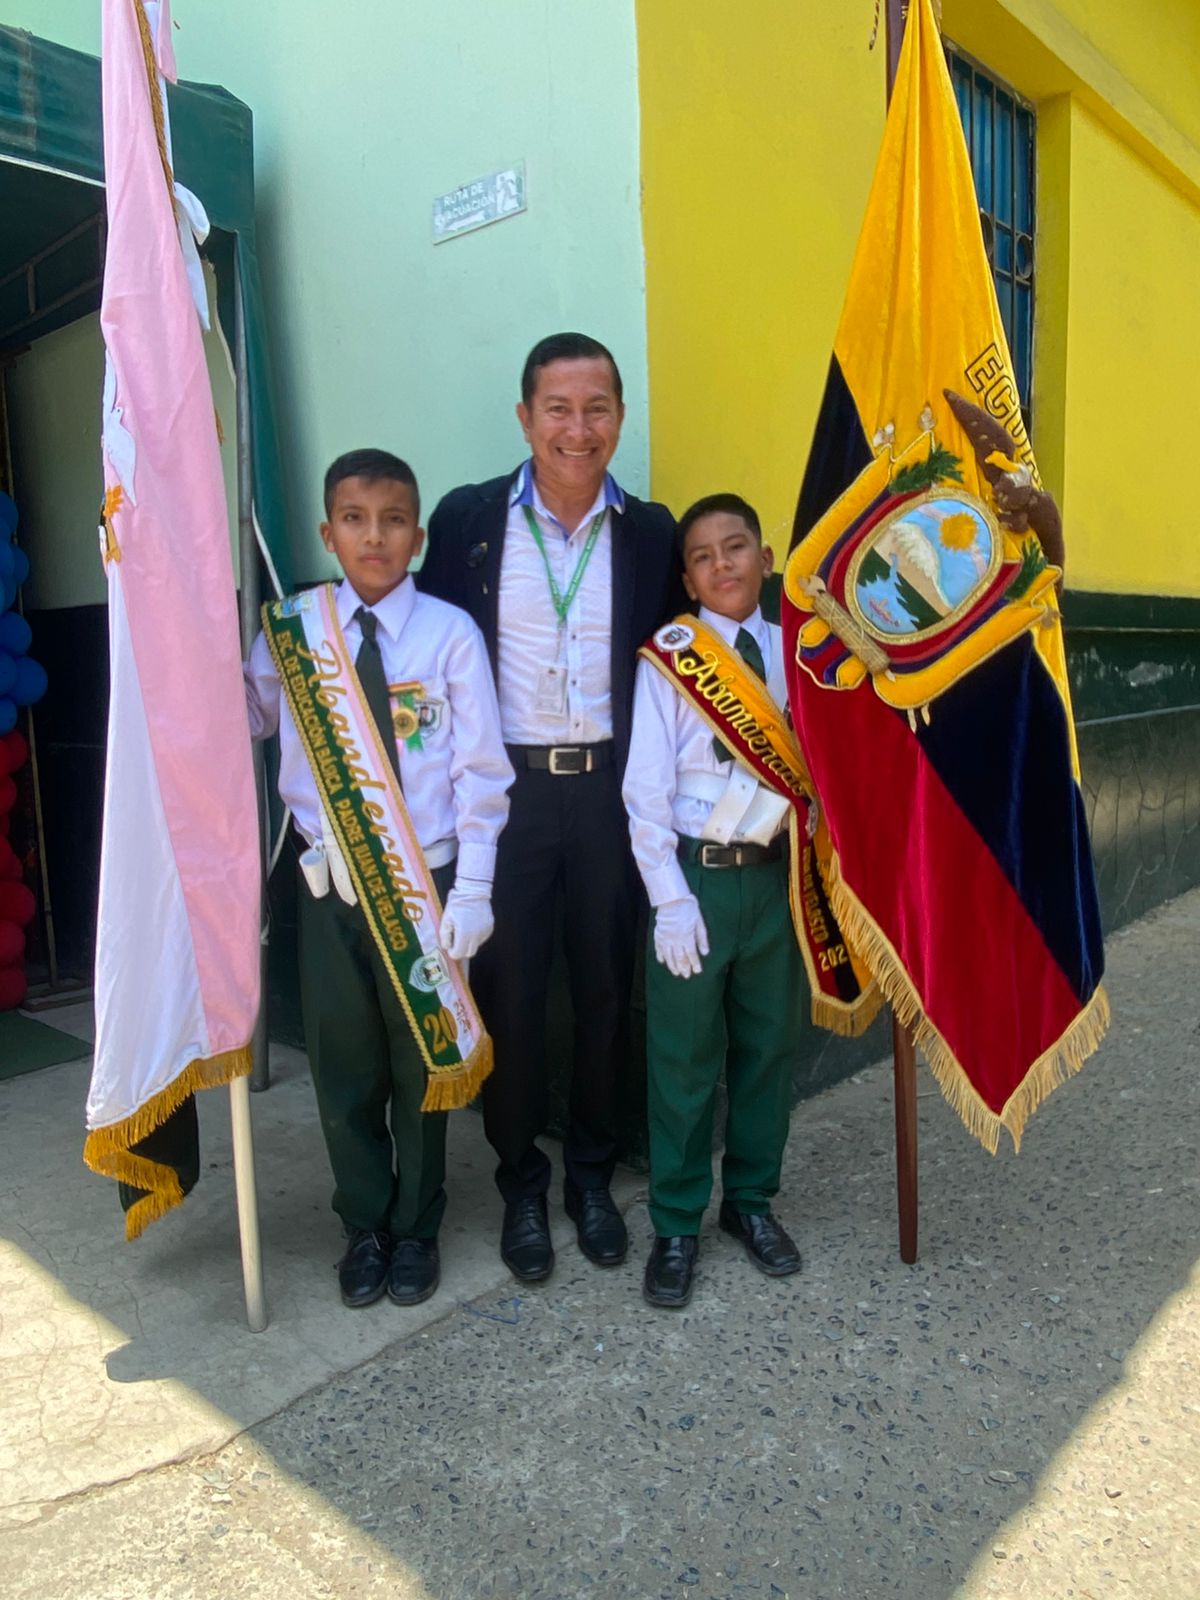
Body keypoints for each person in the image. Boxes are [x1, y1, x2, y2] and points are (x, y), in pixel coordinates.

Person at [417, 333, 681, 1283]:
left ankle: (591, 1179)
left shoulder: (651, 533)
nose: (578, 429)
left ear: (620, 417)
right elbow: (433, 659)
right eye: (558, 409)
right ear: (525, 418)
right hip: (507, 799)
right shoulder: (468, 520)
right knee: (513, 994)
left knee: (607, 992)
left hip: (612, 792)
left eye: (597, 408)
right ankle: (522, 1183)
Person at [245, 449, 513, 1308]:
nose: (374, 537)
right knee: (345, 1065)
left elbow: (481, 773)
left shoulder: (448, 634)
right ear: (327, 533)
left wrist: (474, 889)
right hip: (329, 892)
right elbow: (245, 719)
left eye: (393, 520)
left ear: (418, 536)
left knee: (424, 1062)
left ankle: (416, 1224)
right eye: (355, 520)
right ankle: (363, 1221)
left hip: (424, 884)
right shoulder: (294, 633)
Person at [622, 493, 806, 1309]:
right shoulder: (670, 659)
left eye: (735, 547)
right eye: (702, 556)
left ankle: (752, 1202)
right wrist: (669, 898)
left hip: (777, 881)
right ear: (688, 579)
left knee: (769, 1051)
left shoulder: (799, 653)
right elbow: (645, 792)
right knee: (684, 1060)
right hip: (697, 879)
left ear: (765, 558)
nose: (722, 564)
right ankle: (676, 1223)